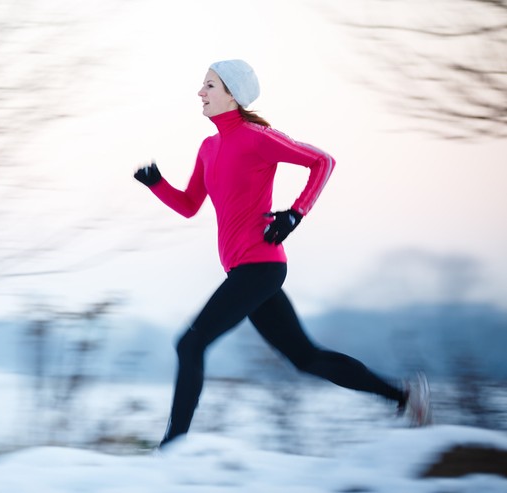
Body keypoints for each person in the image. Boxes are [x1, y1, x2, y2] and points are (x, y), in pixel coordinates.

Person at [133, 59, 431, 449]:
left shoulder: (257, 137)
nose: (200, 92)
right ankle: (405, 397)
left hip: (260, 266)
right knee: (306, 358)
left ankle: (173, 447)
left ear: (232, 95)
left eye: (209, 85)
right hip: (244, 270)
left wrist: (296, 213)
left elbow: (323, 162)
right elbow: (190, 204)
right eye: (203, 85)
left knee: (190, 344)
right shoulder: (208, 148)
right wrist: (157, 184)